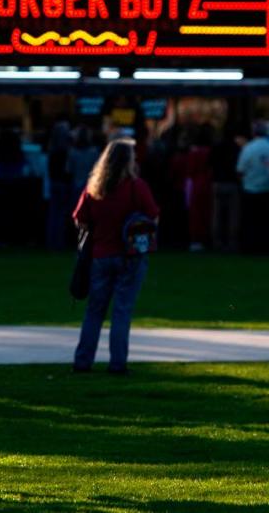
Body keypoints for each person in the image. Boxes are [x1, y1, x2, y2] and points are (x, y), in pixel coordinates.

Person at [71, 138, 159, 375]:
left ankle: (83, 360)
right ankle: (117, 363)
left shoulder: (94, 188)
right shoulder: (135, 187)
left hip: (100, 254)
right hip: (130, 255)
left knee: (94, 310)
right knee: (121, 311)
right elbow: (153, 217)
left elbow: (80, 219)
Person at [236, 121, 269, 254]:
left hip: (250, 189)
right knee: (266, 221)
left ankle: (250, 246)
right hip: (268, 189)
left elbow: (240, 169)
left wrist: (245, 181)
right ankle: (266, 246)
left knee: (250, 221)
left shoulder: (248, 148)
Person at [209, 128, 244, 252]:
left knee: (217, 215)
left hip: (218, 182)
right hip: (231, 183)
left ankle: (217, 242)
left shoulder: (216, 146)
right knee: (233, 215)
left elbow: (210, 162)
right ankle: (231, 243)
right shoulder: (236, 148)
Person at [46, 122, 74, 250]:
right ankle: (59, 242)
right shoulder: (66, 151)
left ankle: (52, 241)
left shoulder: (52, 150)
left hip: (54, 183)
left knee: (53, 214)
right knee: (61, 214)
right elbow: (67, 170)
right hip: (62, 184)